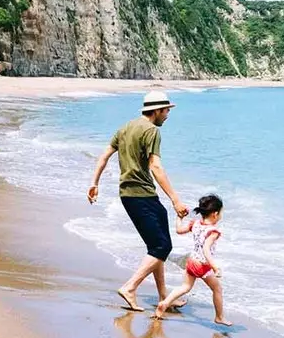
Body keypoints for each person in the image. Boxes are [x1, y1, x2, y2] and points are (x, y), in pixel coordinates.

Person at [87, 90, 189, 312]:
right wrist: (176, 200)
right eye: (166, 111)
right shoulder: (151, 131)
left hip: (136, 195)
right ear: (157, 111)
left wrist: (94, 183)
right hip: (139, 195)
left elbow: (104, 155)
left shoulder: (125, 128)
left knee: (157, 245)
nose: (168, 115)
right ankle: (130, 287)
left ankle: (164, 296)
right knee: (163, 246)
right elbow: (156, 166)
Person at [153, 194, 228, 325]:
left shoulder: (195, 224)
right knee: (217, 289)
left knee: (185, 287)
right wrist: (215, 266)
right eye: (221, 213)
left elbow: (179, 230)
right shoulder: (213, 231)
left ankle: (164, 303)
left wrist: (179, 217)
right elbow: (206, 249)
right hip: (203, 265)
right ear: (215, 214)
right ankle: (219, 317)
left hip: (191, 261)